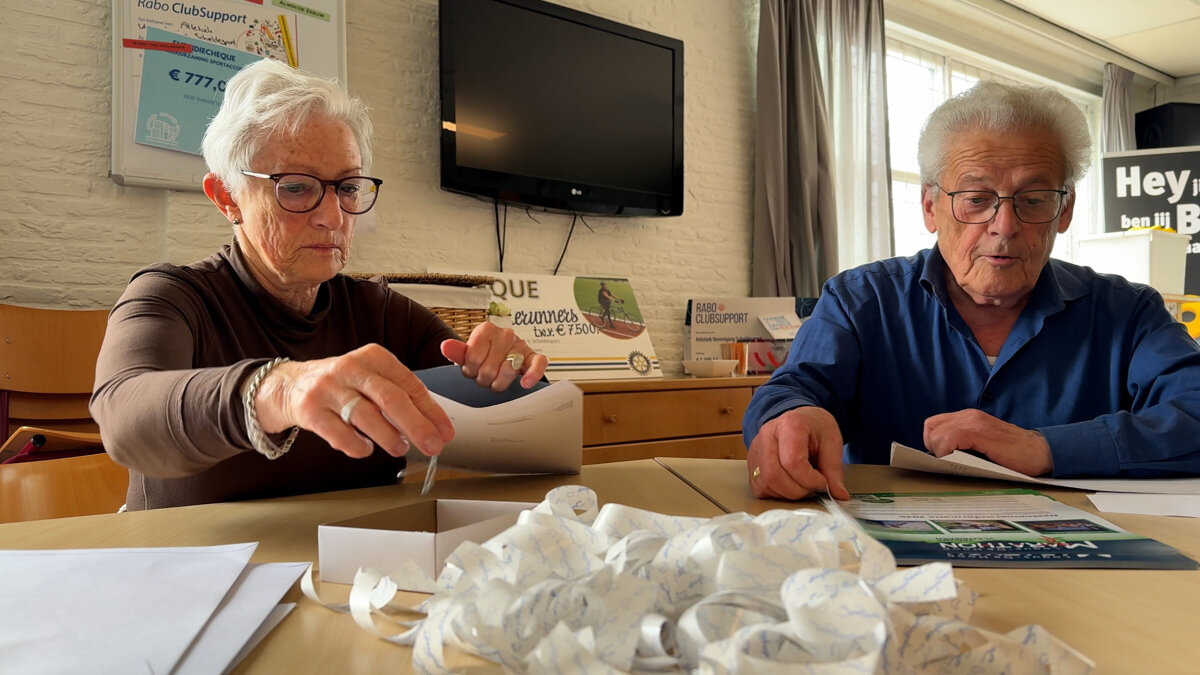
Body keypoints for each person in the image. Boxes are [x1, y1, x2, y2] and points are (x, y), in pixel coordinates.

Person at [91, 59, 547, 510]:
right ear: (227, 197)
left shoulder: (384, 314)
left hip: (351, 572)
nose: (332, 217)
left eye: (347, 188)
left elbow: (507, 435)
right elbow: (124, 420)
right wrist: (279, 389)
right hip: (193, 570)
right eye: (294, 188)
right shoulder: (171, 297)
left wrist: (510, 376)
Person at [742, 81, 1200, 501]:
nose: (1004, 227)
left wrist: (1043, 448)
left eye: (1033, 200)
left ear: (1065, 210)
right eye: (976, 199)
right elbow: (793, 389)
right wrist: (792, 415)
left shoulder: (1128, 313)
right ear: (930, 206)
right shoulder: (861, 301)